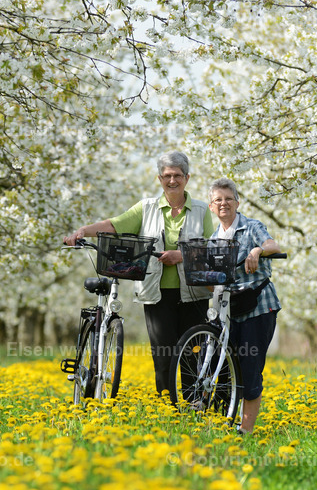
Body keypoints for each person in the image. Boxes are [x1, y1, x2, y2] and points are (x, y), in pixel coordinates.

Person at [64, 151, 214, 395]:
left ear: (187, 178)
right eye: (167, 176)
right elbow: (114, 225)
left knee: (192, 355)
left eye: (177, 175)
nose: (172, 180)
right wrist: (83, 230)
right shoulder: (147, 208)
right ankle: (168, 408)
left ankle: (193, 406)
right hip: (156, 295)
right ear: (159, 179)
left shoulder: (200, 210)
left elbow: (209, 246)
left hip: (194, 294)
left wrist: (181, 256)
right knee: (163, 356)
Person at [207, 177, 282, 435]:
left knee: (250, 367)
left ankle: (245, 431)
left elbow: (274, 245)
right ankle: (222, 423)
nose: (224, 203)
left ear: (237, 203)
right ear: (211, 206)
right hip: (227, 309)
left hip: (258, 307)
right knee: (221, 365)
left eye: (228, 199)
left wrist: (257, 251)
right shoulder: (213, 239)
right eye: (218, 200)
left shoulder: (252, 227)